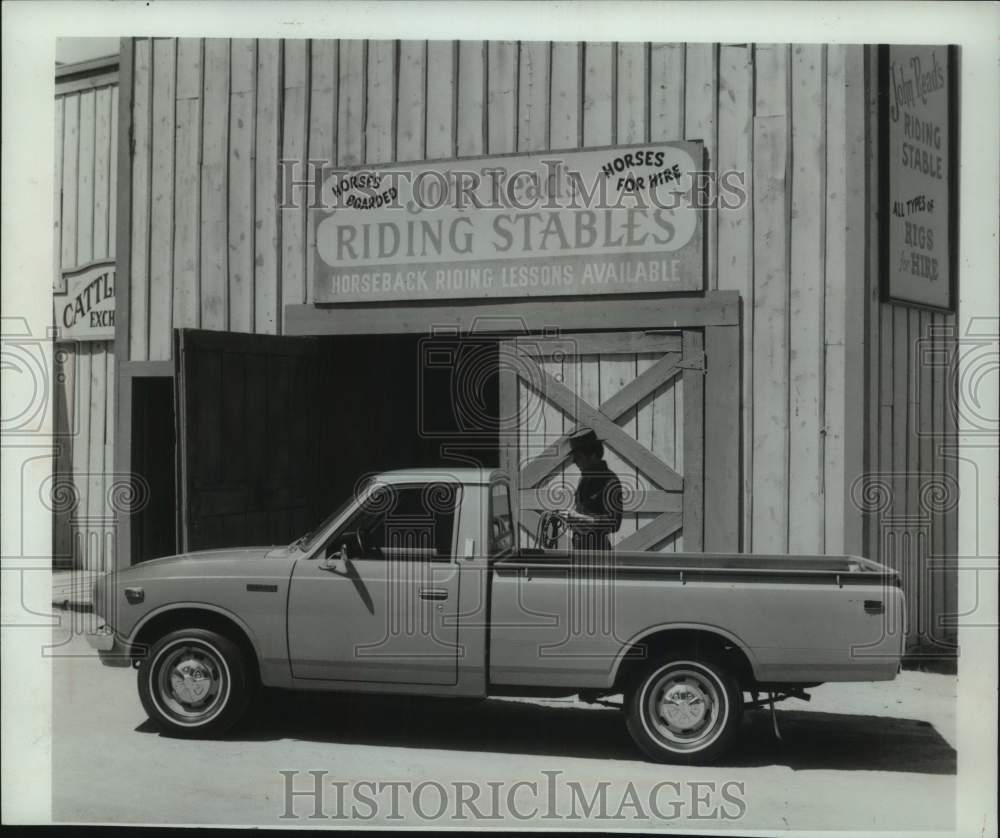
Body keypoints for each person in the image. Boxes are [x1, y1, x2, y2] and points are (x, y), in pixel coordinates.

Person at [564, 427, 623, 551]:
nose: (574, 461)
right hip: (580, 549)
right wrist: (570, 515)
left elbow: (614, 524)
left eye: (578, 456)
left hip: (598, 552)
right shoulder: (585, 479)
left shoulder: (610, 482)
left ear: (593, 455)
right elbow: (582, 509)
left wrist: (579, 518)